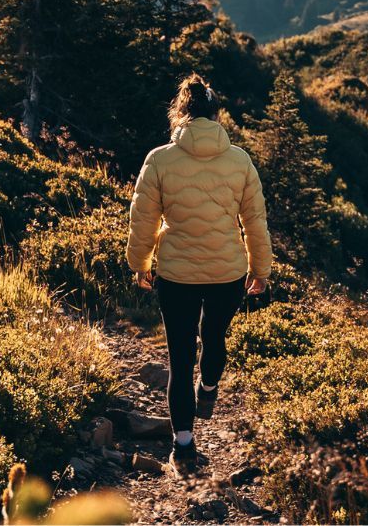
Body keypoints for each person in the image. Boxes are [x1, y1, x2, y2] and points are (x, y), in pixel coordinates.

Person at [126, 73, 272, 469]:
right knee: (214, 336)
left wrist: (139, 265)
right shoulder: (239, 160)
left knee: (179, 357)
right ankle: (208, 387)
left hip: (175, 274)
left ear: (182, 113)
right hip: (227, 272)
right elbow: (254, 221)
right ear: (216, 115)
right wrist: (260, 270)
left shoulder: (159, 159)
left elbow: (144, 221)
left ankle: (184, 446)